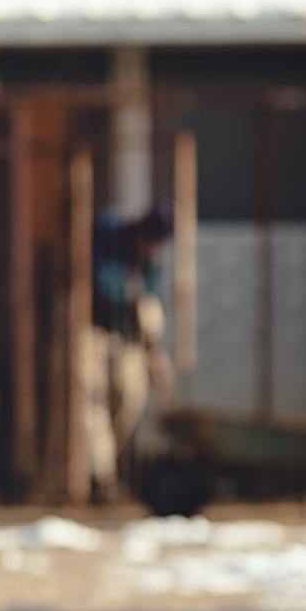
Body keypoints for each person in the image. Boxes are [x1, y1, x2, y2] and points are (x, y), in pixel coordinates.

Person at [83, 201, 175, 501]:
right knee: (92, 401)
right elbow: (95, 279)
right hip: (94, 329)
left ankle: (104, 465)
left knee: (129, 400)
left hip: (129, 338)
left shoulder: (148, 263)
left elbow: (149, 303)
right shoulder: (107, 235)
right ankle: (101, 476)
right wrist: (124, 293)